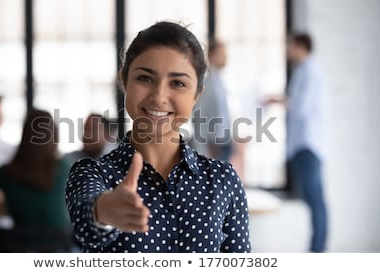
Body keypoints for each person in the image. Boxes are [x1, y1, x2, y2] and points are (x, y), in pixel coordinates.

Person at [65, 22, 250, 253]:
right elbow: (86, 224)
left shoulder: (223, 180)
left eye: (178, 83)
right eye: (145, 78)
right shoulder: (92, 173)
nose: (159, 96)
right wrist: (104, 212)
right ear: (124, 80)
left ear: (196, 95)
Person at [265, 33, 328, 252]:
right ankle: (316, 248)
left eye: (290, 46)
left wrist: (280, 100)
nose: (288, 51)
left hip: (307, 145)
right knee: (313, 200)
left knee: (315, 200)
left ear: (300, 46)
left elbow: (301, 107)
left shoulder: (310, 72)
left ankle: (318, 250)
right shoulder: (303, 71)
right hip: (302, 144)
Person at [0, 109, 71, 230]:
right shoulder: (64, 169)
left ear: (24, 137)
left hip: (21, 245)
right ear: (55, 138)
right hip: (60, 245)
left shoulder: (6, 172)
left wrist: (7, 204)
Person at [192, 39, 233, 162]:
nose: (226, 58)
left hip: (222, 141)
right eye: (222, 54)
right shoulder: (207, 80)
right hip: (212, 145)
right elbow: (199, 113)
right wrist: (202, 149)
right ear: (212, 55)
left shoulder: (218, 79)